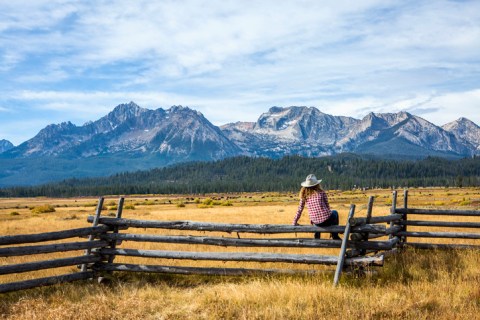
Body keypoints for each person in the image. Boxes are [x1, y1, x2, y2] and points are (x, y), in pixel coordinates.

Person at [292, 174, 341, 240]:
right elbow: (327, 206)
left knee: (315, 220)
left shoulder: (304, 195)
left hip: (316, 222)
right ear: (316, 184)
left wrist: (294, 221)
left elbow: (300, 209)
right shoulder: (321, 192)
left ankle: (317, 236)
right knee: (335, 212)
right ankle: (335, 234)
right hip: (327, 220)